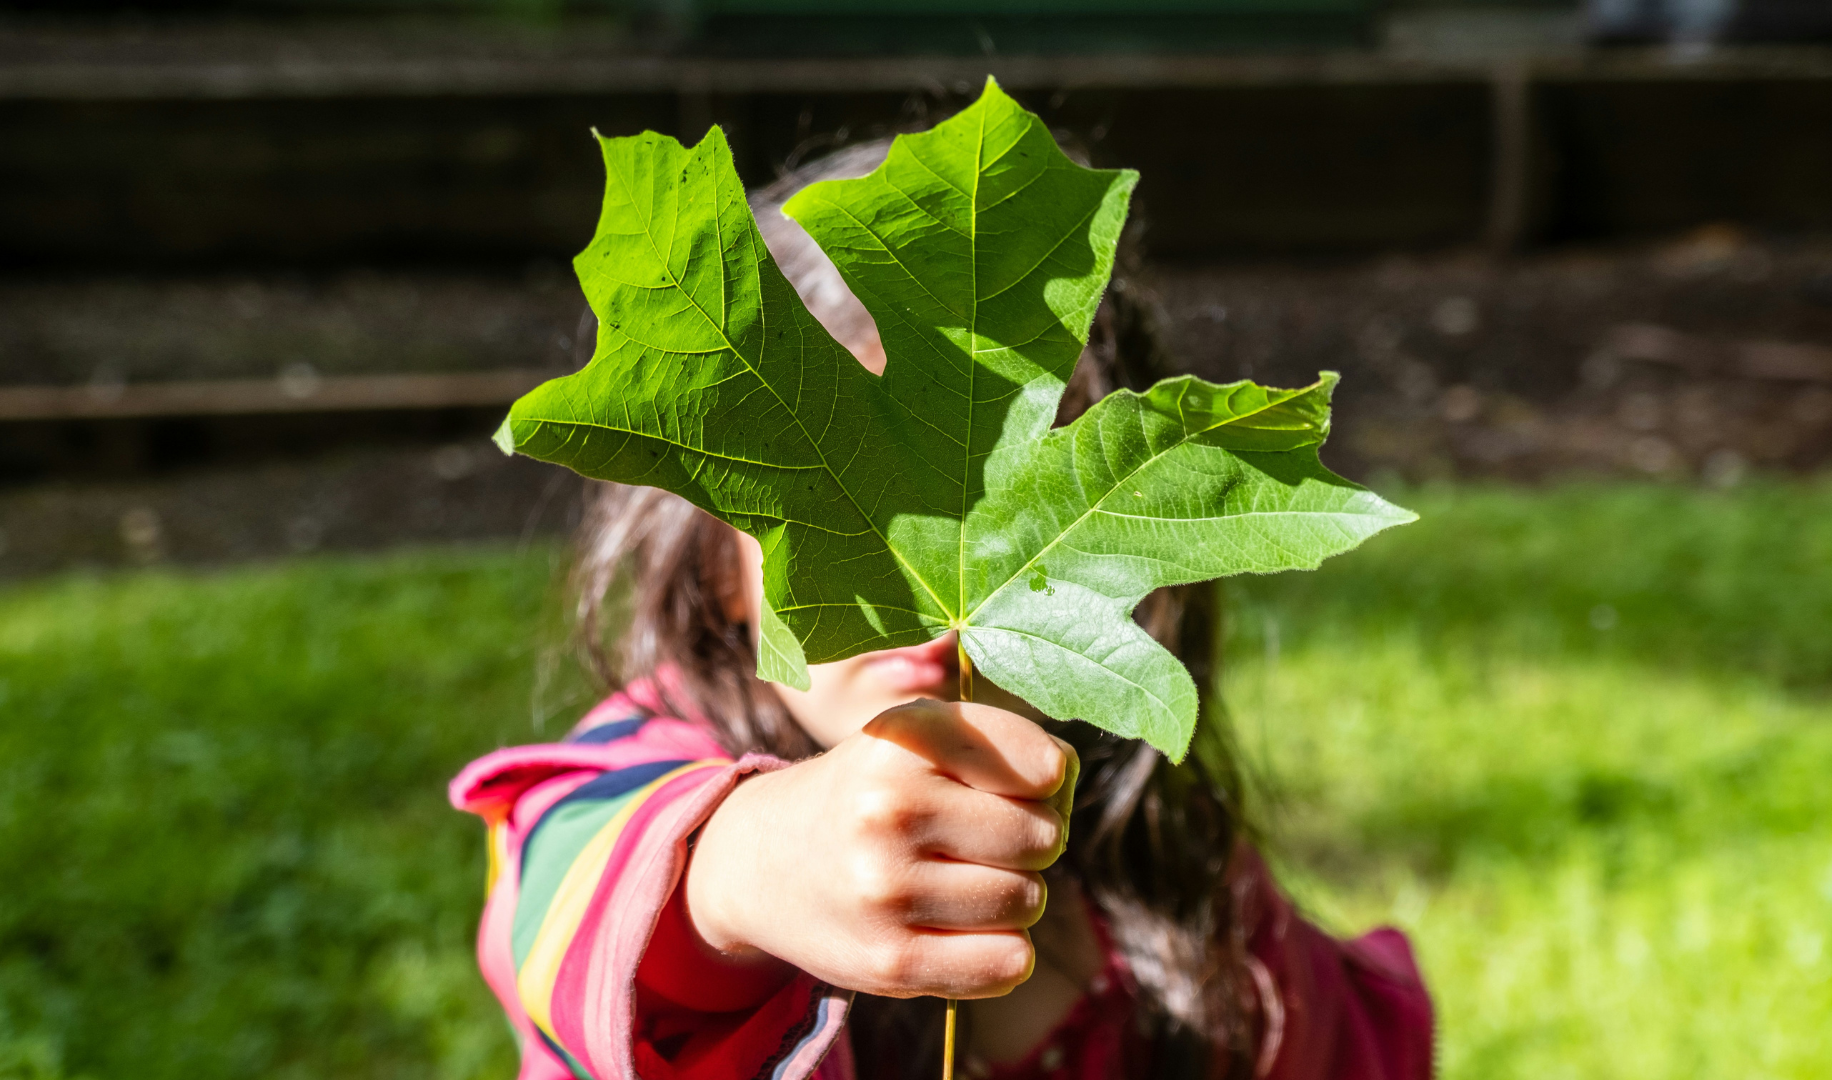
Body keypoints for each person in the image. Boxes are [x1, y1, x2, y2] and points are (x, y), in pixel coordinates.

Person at [451, 140, 1433, 1080]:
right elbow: (568, 900)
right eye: (846, 511)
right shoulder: (637, 772)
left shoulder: (1176, 876)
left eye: (1006, 505)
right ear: (720, 570)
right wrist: (749, 870)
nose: (924, 591)